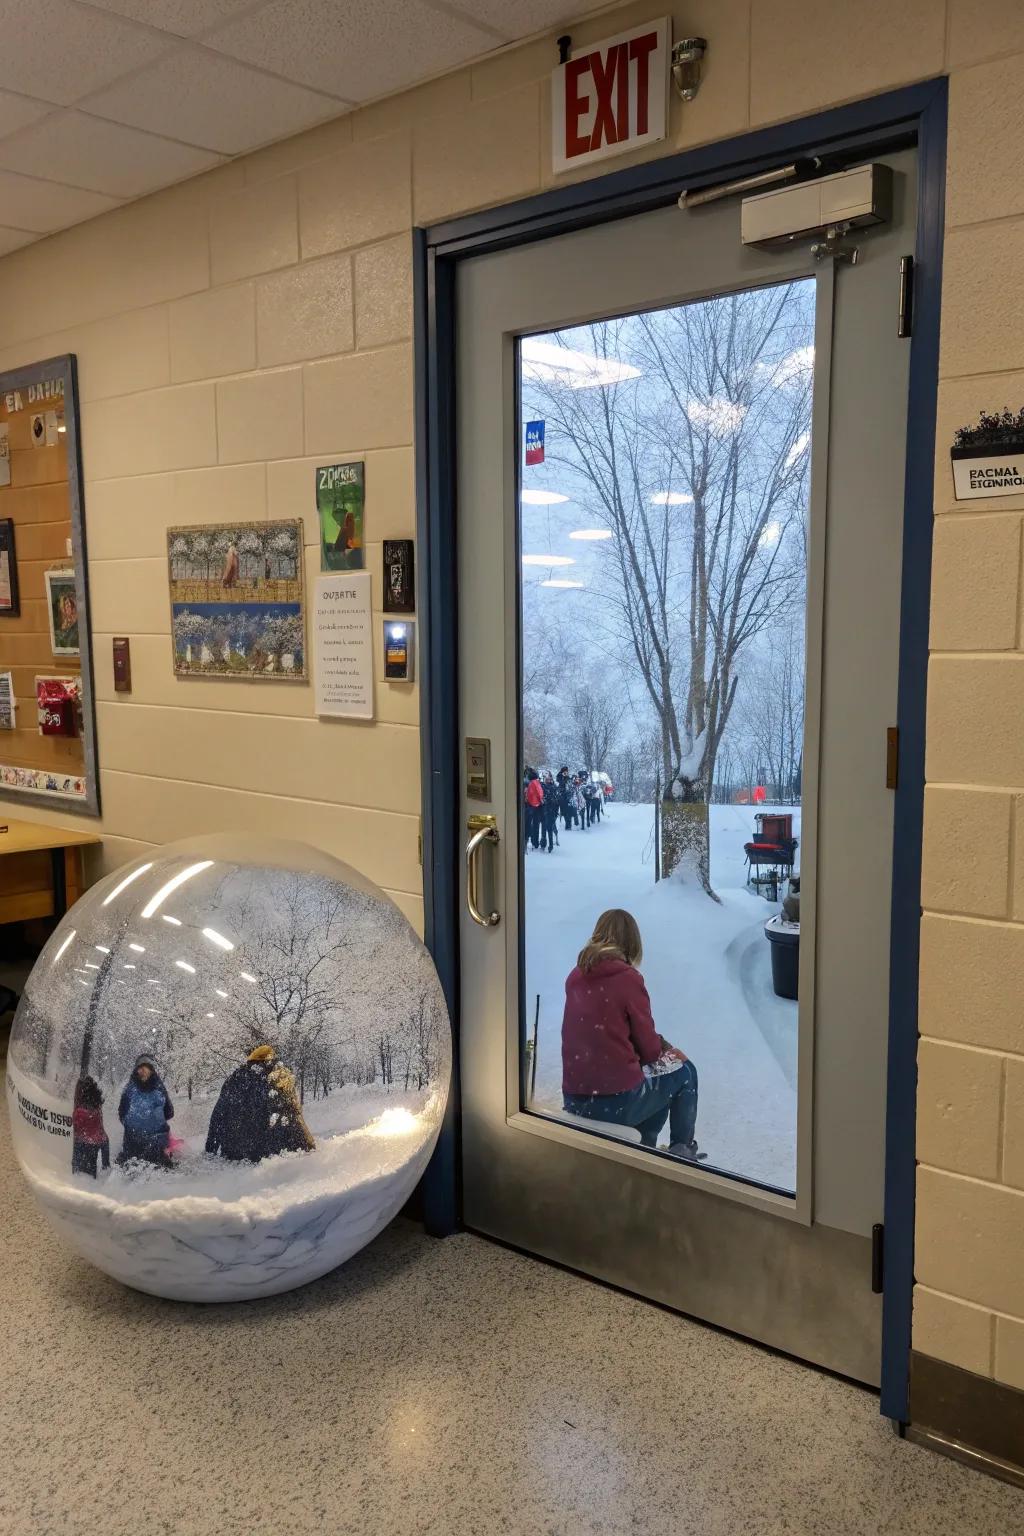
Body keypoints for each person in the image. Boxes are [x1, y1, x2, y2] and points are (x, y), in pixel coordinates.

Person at [561, 909, 704, 1161]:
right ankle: (682, 1152)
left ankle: (642, 1148)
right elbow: (649, 1051)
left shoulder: (575, 976)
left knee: (652, 1083)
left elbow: (597, 1033)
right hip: (614, 1102)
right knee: (684, 1073)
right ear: (632, 943)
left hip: (574, 1097)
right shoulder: (628, 979)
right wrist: (667, 1049)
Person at [206, 1044, 315, 1163]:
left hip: (237, 1154)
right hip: (275, 1155)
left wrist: (210, 1151)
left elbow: (218, 1117)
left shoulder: (235, 1078)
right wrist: (308, 1147)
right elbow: (295, 1116)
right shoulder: (282, 1078)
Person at [117, 1054, 174, 1167]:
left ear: (151, 1070)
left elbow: (122, 1115)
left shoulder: (129, 1088)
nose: (143, 1071)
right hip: (153, 1143)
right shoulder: (158, 1088)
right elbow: (169, 1113)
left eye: (145, 1069)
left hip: (136, 1142)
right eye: (141, 1069)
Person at [71, 1075, 110, 1178]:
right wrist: (106, 1163)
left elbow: (78, 1130)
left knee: (80, 1177)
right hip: (93, 1147)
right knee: (89, 1177)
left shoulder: (80, 1112)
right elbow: (102, 1135)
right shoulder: (97, 1109)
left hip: (82, 1148)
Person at [524, 768, 544, 852]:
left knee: (529, 825)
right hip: (536, 806)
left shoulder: (527, 782)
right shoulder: (536, 782)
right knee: (535, 825)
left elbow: (529, 795)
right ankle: (535, 843)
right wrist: (541, 801)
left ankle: (528, 841)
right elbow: (540, 793)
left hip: (529, 806)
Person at [541, 771, 560, 852]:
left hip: (551, 811)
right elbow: (541, 798)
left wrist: (556, 811)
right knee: (544, 828)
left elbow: (557, 800)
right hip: (544, 810)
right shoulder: (542, 786)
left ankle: (551, 845)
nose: (548, 780)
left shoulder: (554, 787)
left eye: (549, 778)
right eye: (547, 778)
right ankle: (544, 843)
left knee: (549, 828)